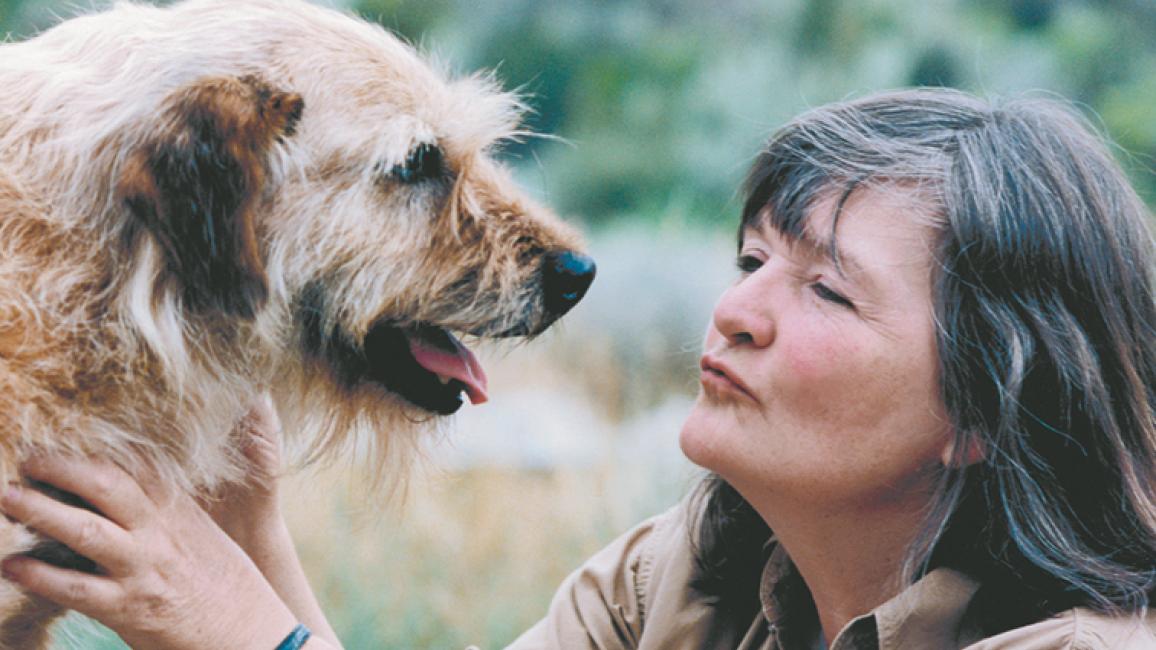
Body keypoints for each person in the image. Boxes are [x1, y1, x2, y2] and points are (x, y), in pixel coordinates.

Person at [2, 87, 1155, 649]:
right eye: (751, 257)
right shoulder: (676, 578)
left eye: (826, 288)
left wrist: (241, 628)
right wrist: (253, 527)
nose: (737, 309)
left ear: (984, 409)